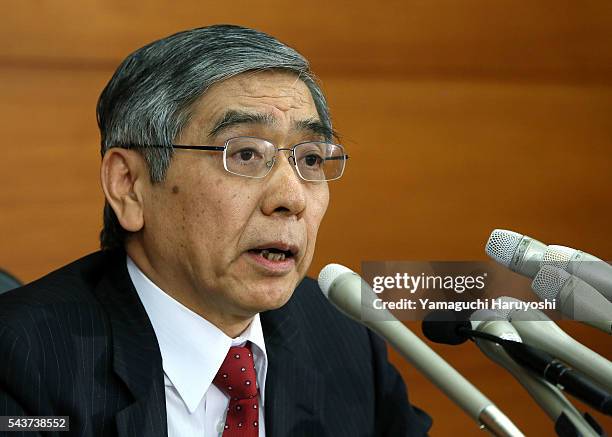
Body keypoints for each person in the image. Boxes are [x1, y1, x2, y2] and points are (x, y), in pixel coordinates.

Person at [0, 25, 431, 436]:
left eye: (311, 160)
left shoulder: (342, 337)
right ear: (129, 186)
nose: (292, 198)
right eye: (245, 154)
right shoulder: (22, 360)